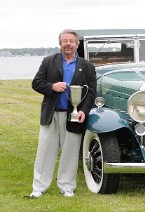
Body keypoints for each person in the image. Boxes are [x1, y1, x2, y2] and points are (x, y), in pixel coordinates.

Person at [29, 29, 96, 198]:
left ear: (77, 44)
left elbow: (92, 93)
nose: (68, 44)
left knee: (70, 152)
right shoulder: (48, 61)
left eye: (71, 41)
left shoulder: (87, 66)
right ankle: (39, 187)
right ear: (60, 43)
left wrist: (83, 111)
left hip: (73, 116)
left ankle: (67, 187)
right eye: (65, 40)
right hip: (51, 115)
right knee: (45, 151)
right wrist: (52, 87)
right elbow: (36, 83)